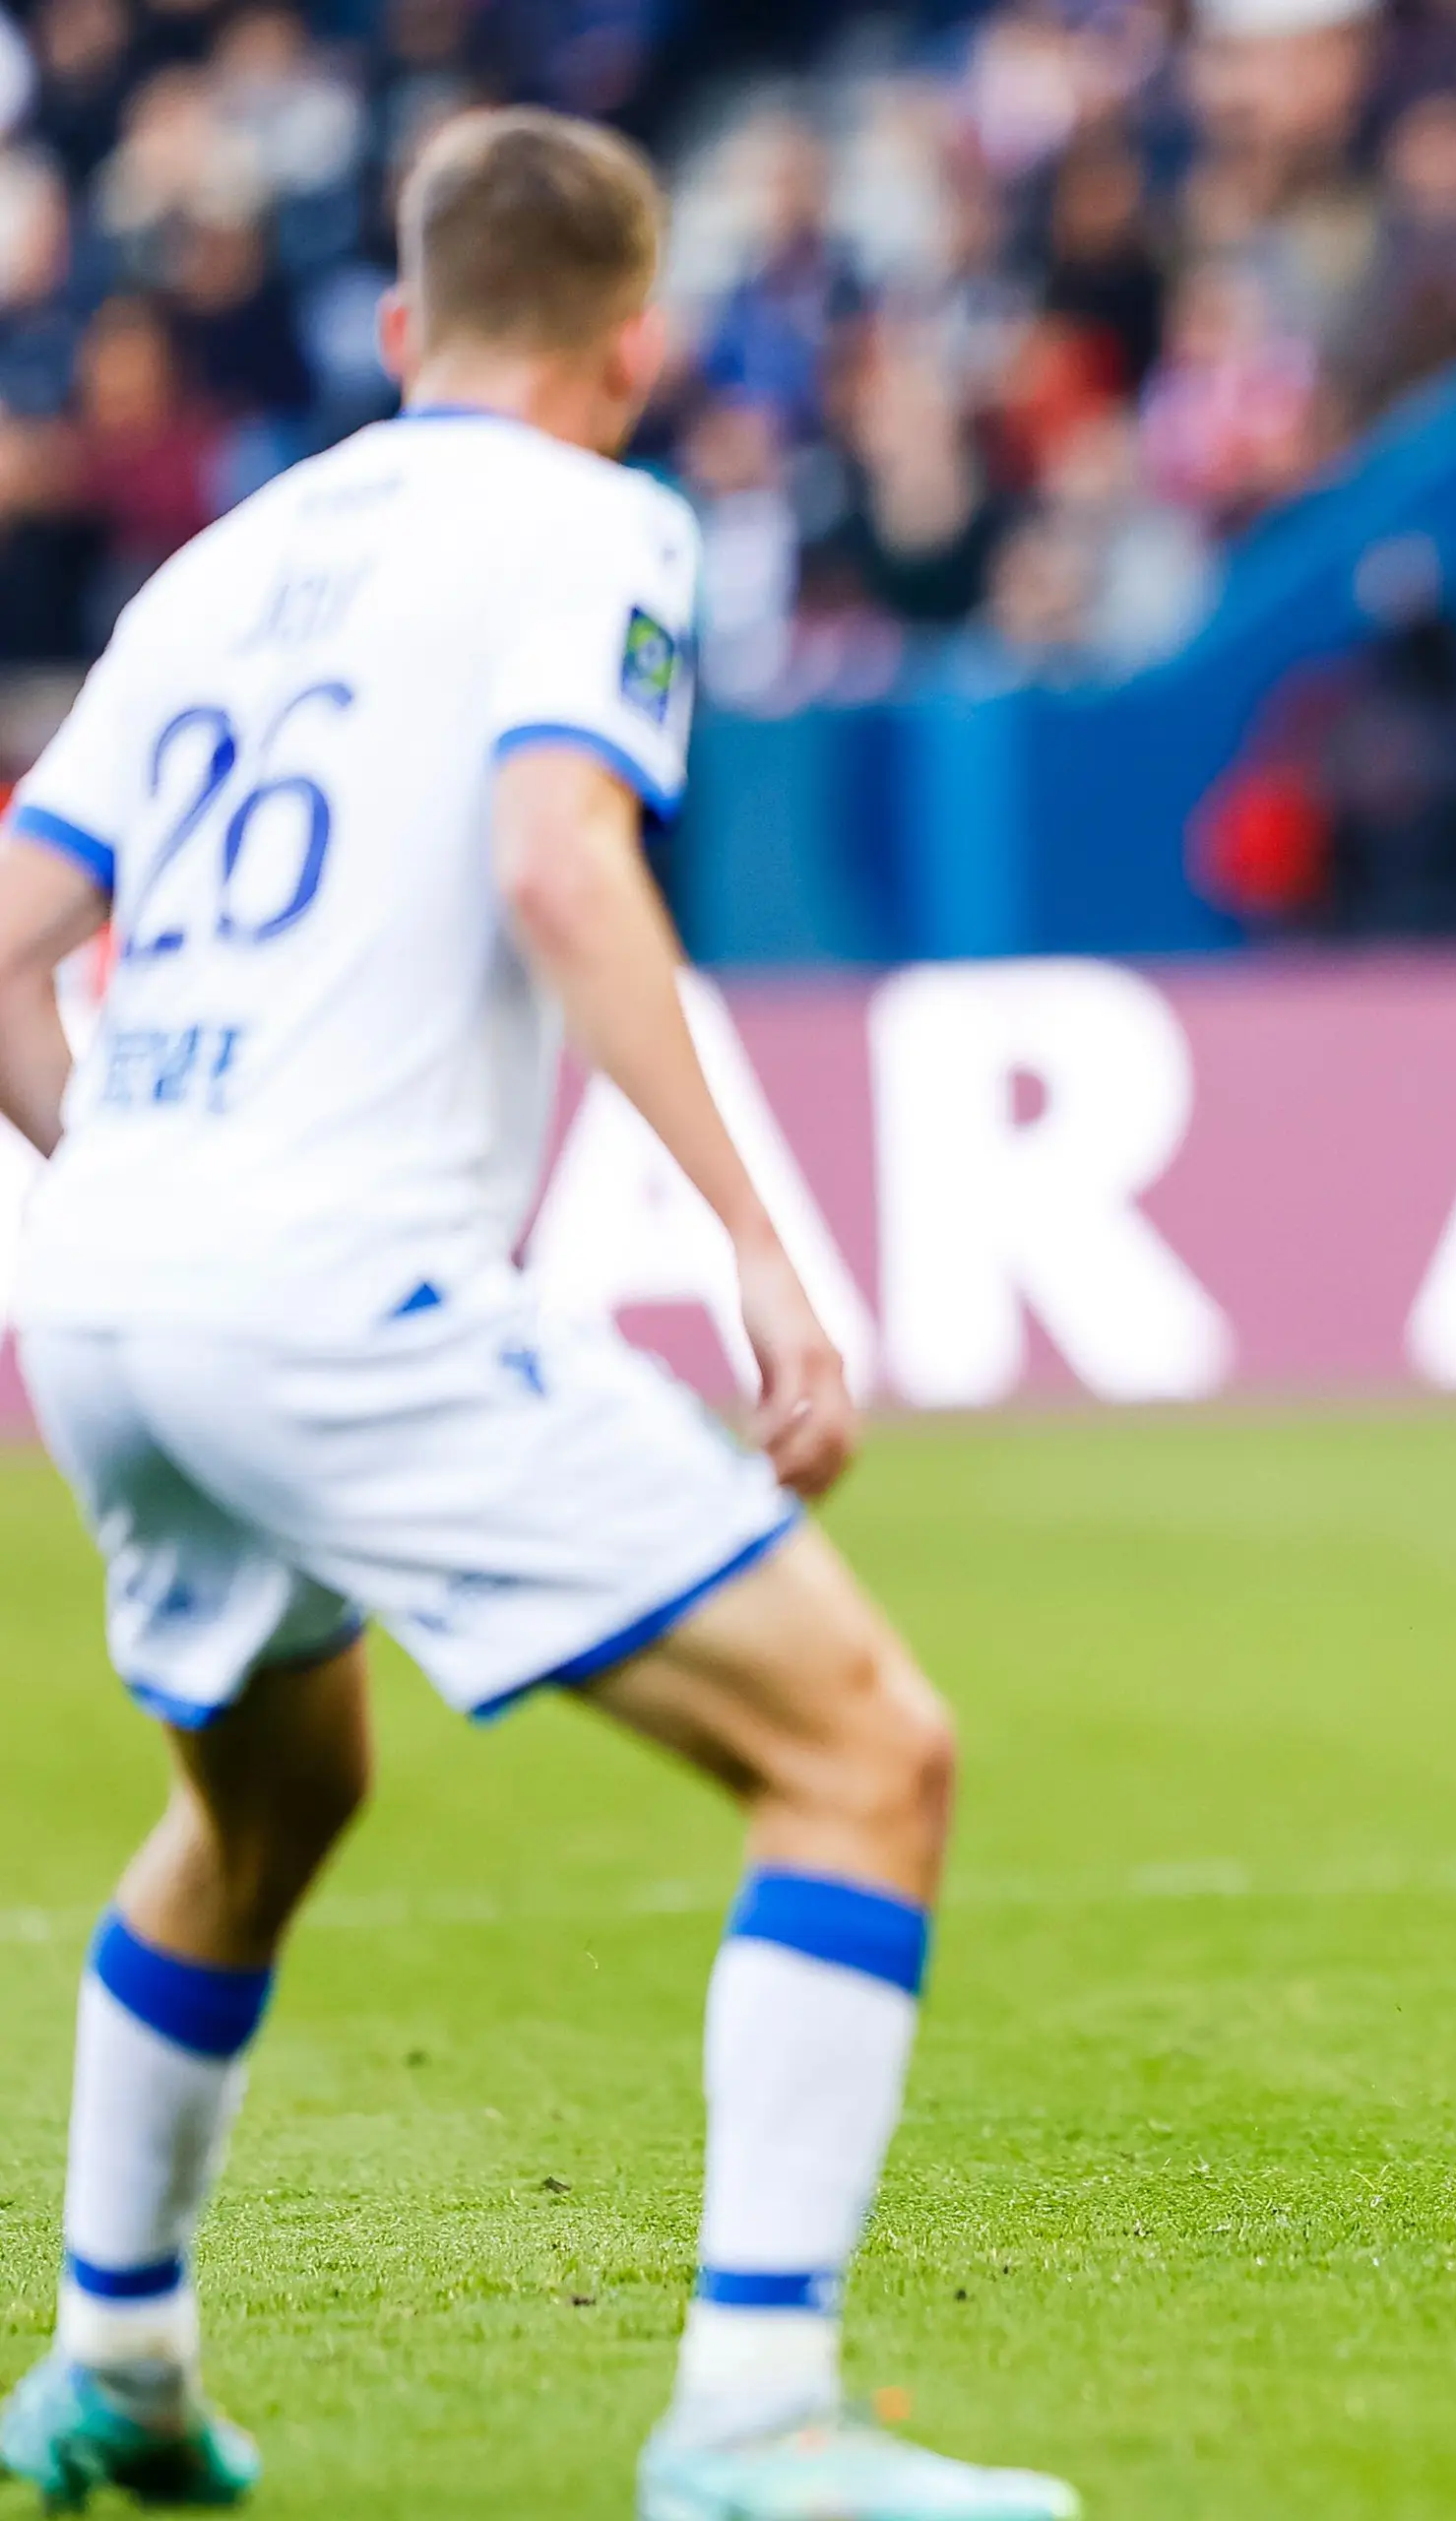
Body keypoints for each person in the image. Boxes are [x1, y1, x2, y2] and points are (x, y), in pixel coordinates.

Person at [0, 109, 1074, 2521]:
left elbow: (9, 930)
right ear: (635, 347)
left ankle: (118, 2369)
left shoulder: (225, 560)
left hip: (107, 1287)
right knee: (864, 1750)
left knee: (264, 1799)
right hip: (320, 1278)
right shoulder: (602, 522)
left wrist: (136, 1190)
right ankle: (752, 2411)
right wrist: (755, 1232)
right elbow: (556, 854)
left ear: (398, 333)